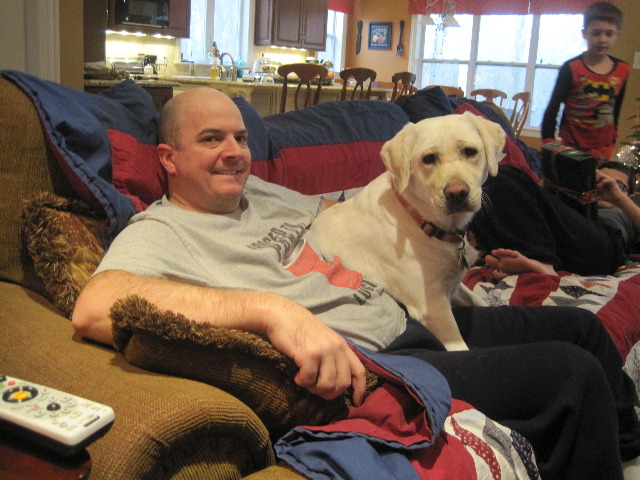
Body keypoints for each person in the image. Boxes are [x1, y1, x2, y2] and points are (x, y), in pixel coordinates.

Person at [72, 88, 640, 480]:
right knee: (571, 373)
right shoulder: (162, 229)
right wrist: (272, 311)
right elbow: (94, 306)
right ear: (168, 158)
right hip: (380, 361)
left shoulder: (257, 193)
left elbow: (344, 212)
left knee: (581, 328)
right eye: (211, 139)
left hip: (403, 314)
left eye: (241, 138)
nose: (235, 153)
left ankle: (624, 450)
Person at [472, 161, 640, 278]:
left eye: (619, 185)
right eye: (601, 181)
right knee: (489, 181)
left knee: (501, 174)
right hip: (557, 244)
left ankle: (541, 262)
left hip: (604, 245)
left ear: (631, 197)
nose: (606, 186)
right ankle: (530, 262)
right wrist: (544, 189)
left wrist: (618, 197)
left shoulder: (623, 210)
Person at [541, 2, 631, 162]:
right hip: (571, 147)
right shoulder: (572, 68)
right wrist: (549, 143)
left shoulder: (623, 70)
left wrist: (612, 141)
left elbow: (615, 110)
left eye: (609, 34)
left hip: (604, 149)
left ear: (617, 35)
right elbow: (553, 107)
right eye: (596, 33)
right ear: (585, 33)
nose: (602, 39)